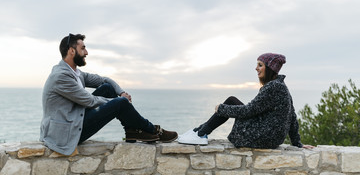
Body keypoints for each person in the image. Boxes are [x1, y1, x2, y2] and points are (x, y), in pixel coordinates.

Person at [40, 33, 178, 155]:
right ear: (71, 51)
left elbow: (105, 80)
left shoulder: (76, 73)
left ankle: (132, 130)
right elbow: (89, 101)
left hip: (75, 118)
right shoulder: (60, 77)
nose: (86, 52)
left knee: (107, 88)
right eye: (83, 48)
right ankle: (152, 130)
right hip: (65, 133)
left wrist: (121, 92)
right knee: (120, 103)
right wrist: (118, 102)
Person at [178, 53, 313, 149]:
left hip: (263, 137)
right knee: (232, 100)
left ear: (269, 68)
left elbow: (249, 110)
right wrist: (297, 143)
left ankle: (200, 134)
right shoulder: (281, 86)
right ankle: (199, 132)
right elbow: (293, 117)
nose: (256, 68)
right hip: (269, 136)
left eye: (260, 65)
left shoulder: (274, 87)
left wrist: (221, 108)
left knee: (230, 102)